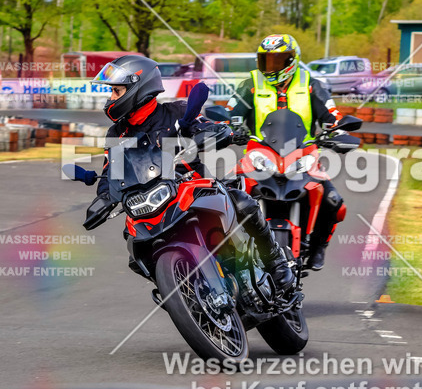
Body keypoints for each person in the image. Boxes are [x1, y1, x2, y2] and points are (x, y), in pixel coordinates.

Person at [90, 54, 294, 295]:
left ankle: (277, 264)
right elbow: (110, 170)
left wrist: (218, 133)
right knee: (135, 253)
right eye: (111, 92)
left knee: (242, 202)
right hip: (153, 203)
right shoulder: (117, 132)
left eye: (116, 91)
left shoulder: (176, 111)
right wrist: (103, 198)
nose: (111, 98)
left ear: (137, 87)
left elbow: (200, 124)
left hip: (194, 190)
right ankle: (186, 295)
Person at [225, 33, 345, 270]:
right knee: (223, 192)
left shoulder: (311, 83)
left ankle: (318, 247)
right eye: (266, 60)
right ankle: (228, 249)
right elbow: (231, 112)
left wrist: (337, 131)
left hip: (304, 155)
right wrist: (229, 126)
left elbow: (332, 115)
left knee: (333, 201)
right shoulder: (250, 83)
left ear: (292, 60)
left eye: (278, 61)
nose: (271, 66)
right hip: (259, 153)